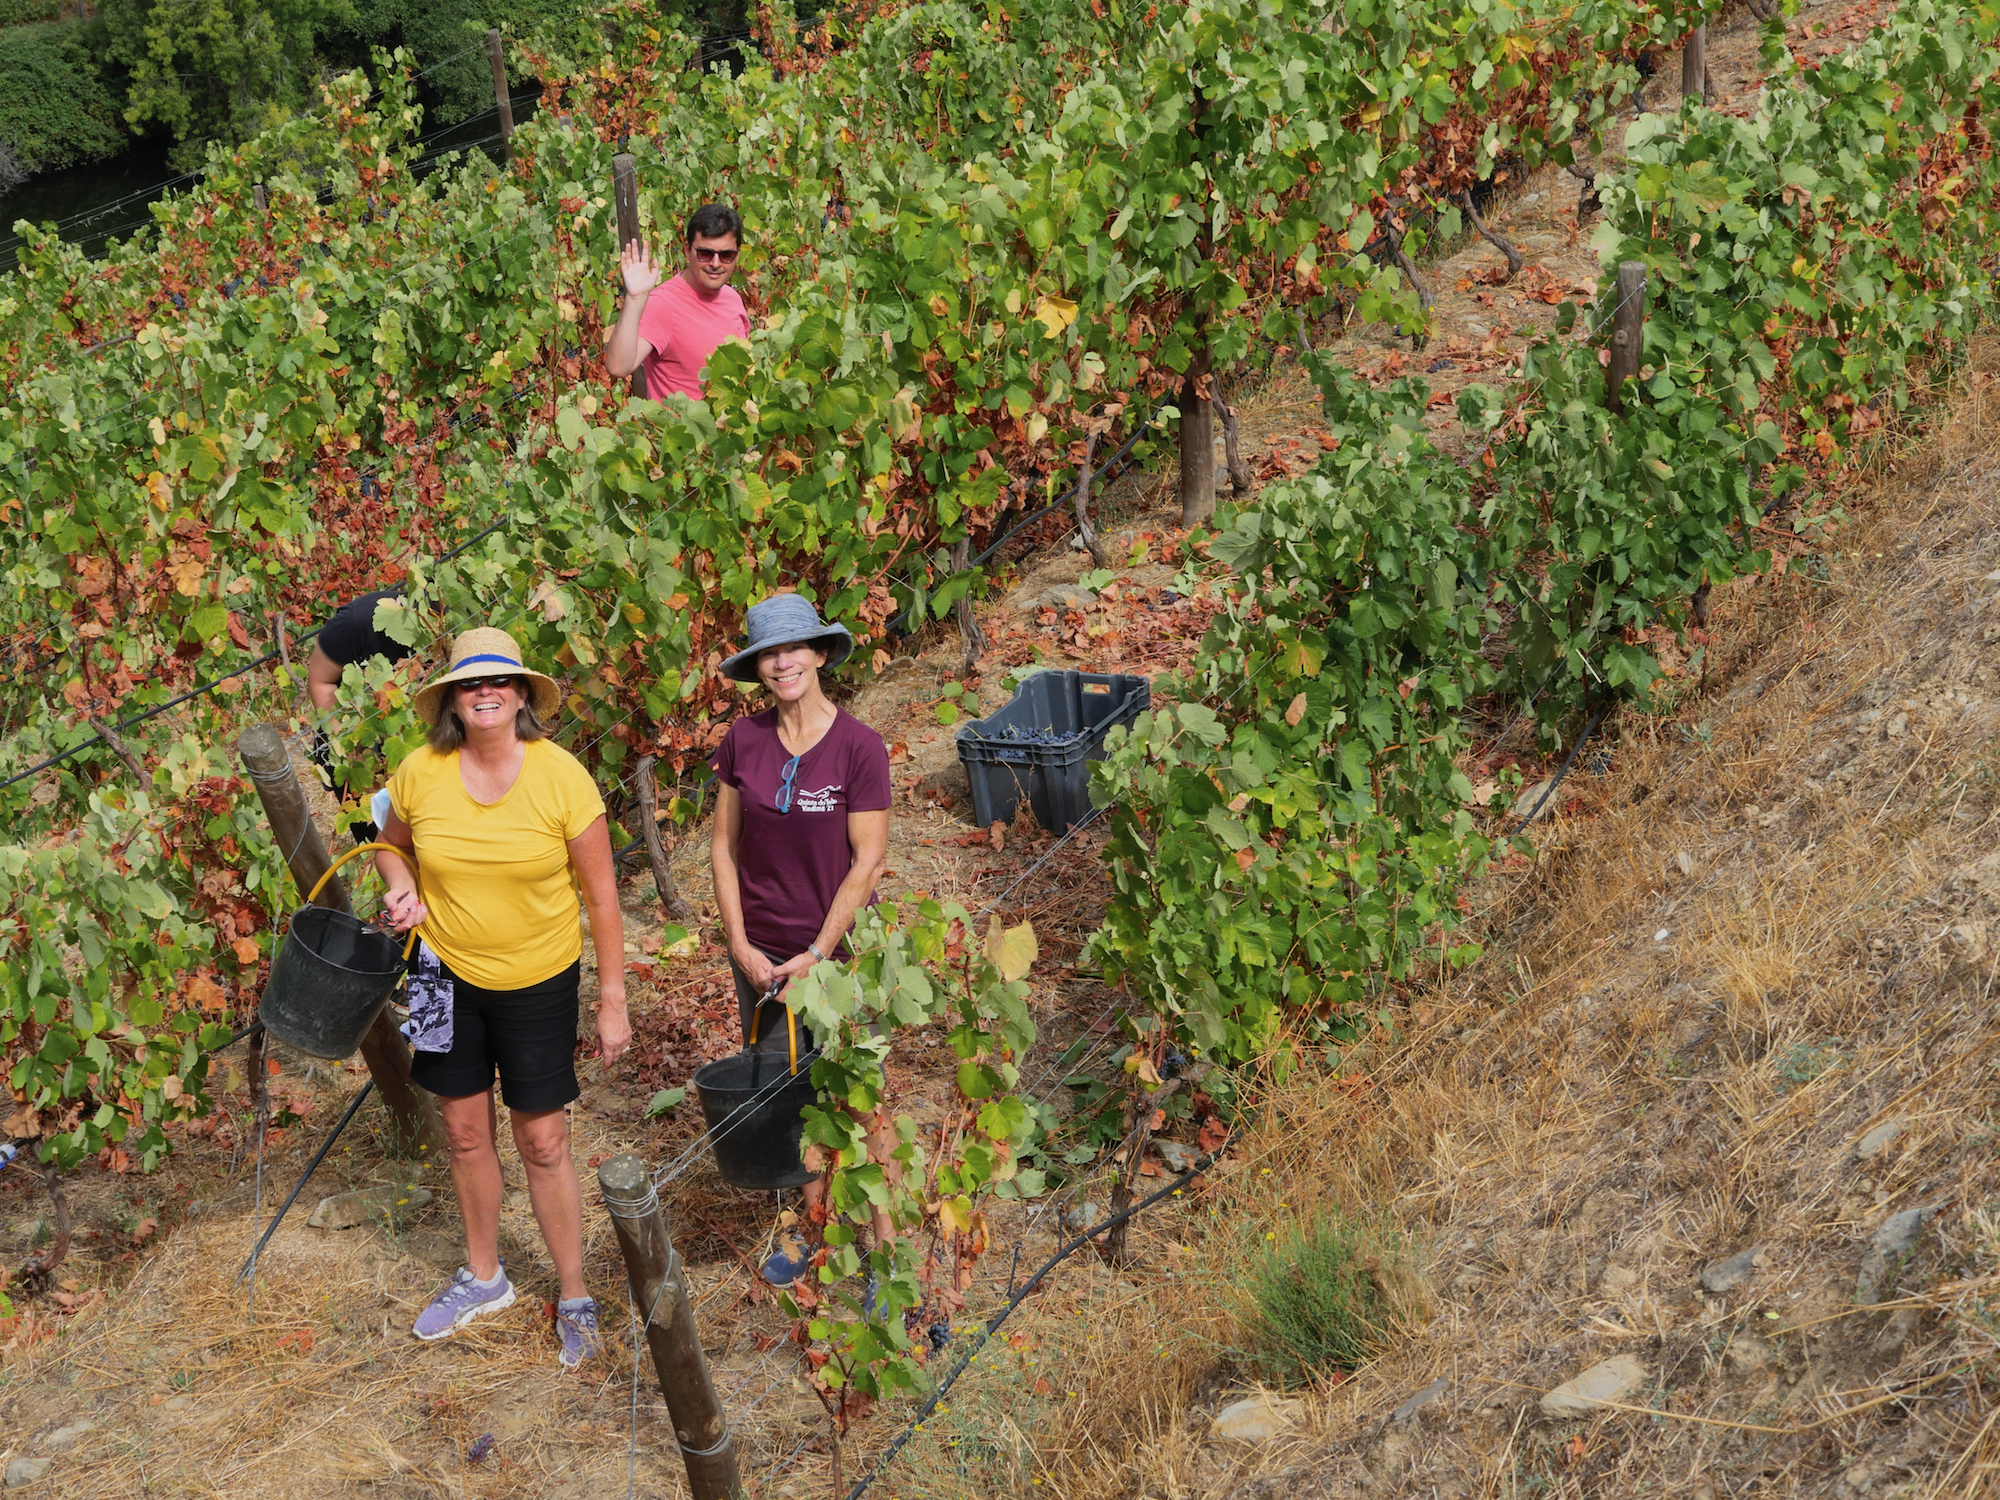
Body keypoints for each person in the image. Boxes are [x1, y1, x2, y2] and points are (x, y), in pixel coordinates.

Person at [373, 626, 629, 1368]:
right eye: (469, 683)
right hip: (441, 973)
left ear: (521, 696)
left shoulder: (562, 778)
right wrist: (402, 888)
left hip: (538, 980)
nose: (485, 693)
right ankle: (485, 1278)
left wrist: (612, 1000)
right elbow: (392, 845)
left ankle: (574, 1293)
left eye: (499, 682)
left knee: (543, 1140)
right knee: (461, 1133)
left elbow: (605, 899)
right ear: (452, 699)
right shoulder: (421, 772)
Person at [708, 595, 893, 1280]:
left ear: (819, 655)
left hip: (835, 959)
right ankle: (813, 1231)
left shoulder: (858, 748)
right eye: (768, 653)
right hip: (759, 958)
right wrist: (739, 945)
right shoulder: (743, 742)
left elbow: (866, 862)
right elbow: (723, 850)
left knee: (856, 1098)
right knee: (788, 1092)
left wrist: (817, 955)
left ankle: (883, 1248)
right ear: (757, 667)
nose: (782, 661)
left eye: (794, 648)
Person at [603, 202, 752, 401]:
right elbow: (618, 366)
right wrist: (635, 299)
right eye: (705, 253)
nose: (715, 264)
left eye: (726, 255)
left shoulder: (733, 299)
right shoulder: (663, 305)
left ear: (737, 256)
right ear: (687, 249)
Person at [305, 589, 413, 842]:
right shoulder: (358, 622)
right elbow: (322, 682)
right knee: (379, 838)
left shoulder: (455, 623)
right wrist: (352, 750)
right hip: (358, 734)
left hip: (418, 738)